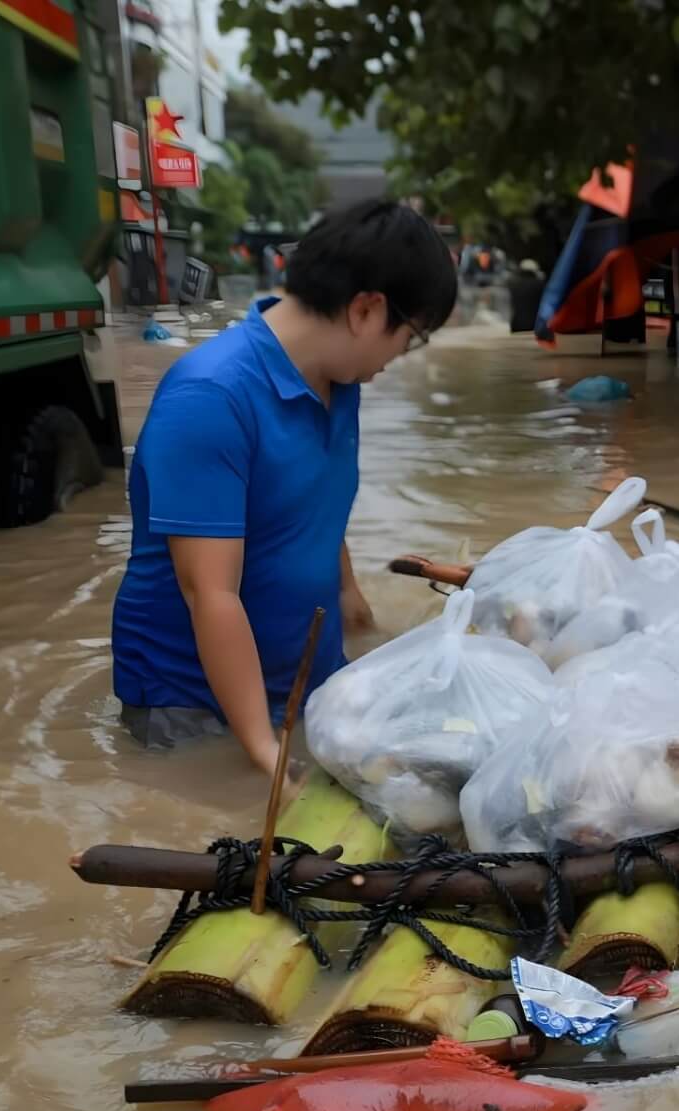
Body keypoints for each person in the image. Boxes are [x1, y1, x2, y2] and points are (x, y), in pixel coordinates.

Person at [112, 199, 458, 775]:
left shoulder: (338, 379)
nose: (400, 356)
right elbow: (210, 594)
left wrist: (350, 597)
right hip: (194, 707)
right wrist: (263, 752)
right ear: (368, 310)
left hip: (299, 681)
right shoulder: (211, 397)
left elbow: (312, 499)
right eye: (411, 336)